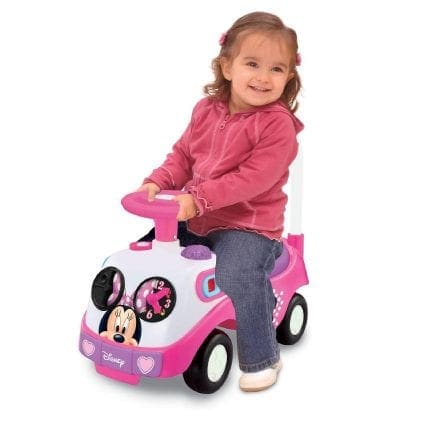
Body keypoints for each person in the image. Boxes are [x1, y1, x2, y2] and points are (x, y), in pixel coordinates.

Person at [137, 11, 304, 392]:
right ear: (227, 66)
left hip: (249, 227)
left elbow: (253, 179)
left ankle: (263, 357)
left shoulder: (277, 125)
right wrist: (157, 182)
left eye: (276, 69)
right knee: (148, 259)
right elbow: (183, 155)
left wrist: (198, 199)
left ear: (289, 77)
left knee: (237, 274)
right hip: (197, 218)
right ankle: (144, 332)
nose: (263, 77)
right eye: (252, 64)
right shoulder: (206, 110)